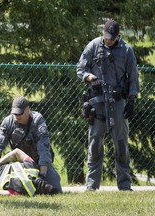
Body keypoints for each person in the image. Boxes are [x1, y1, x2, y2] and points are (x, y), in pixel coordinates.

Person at [76, 19, 139, 191]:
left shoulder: (126, 50)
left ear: (118, 35)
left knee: (121, 145)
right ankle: (92, 186)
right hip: (97, 102)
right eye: (106, 36)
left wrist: (132, 99)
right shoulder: (93, 46)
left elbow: (133, 75)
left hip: (118, 102)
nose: (108, 40)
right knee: (95, 144)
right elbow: (80, 68)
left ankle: (125, 185)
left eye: (111, 37)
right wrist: (90, 78)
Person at [0, 96, 62, 193]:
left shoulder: (37, 121)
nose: (17, 116)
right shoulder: (8, 122)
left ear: (28, 109)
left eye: (20, 113)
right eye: (15, 113)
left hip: (38, 163)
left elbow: (44, 150)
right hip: (19, 164)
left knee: (55, 188)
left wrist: (42, 175)